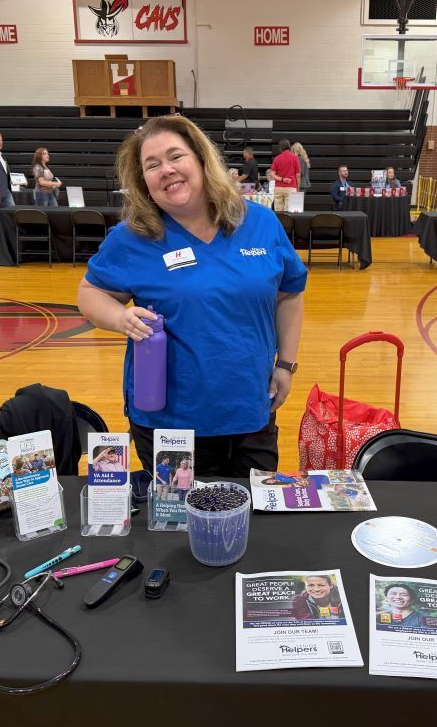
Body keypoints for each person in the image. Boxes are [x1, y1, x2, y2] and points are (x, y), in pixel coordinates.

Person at [77, 115, 307, 476]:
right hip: (169, 422)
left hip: (249, 409)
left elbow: (289, 294)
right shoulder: (131, 238)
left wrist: (286, 365)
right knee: (176, 525)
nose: (165, 170)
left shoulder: (260, 223)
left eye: (175, 156)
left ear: (202, 160)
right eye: (152, 165)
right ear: (143, 180)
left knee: (251, 522)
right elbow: (89, 293)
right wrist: (120, 318)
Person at [269, 139, 300, 212]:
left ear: (280, 147)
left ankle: (279, 223)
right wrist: (297, 188)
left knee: (278, 211)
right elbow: (298, 175)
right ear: (289, 146)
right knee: (289, 211)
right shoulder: (295, 158)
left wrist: (282, 179)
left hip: (278, 187)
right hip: (291, 187)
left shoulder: (277, 158)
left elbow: (272, 174)